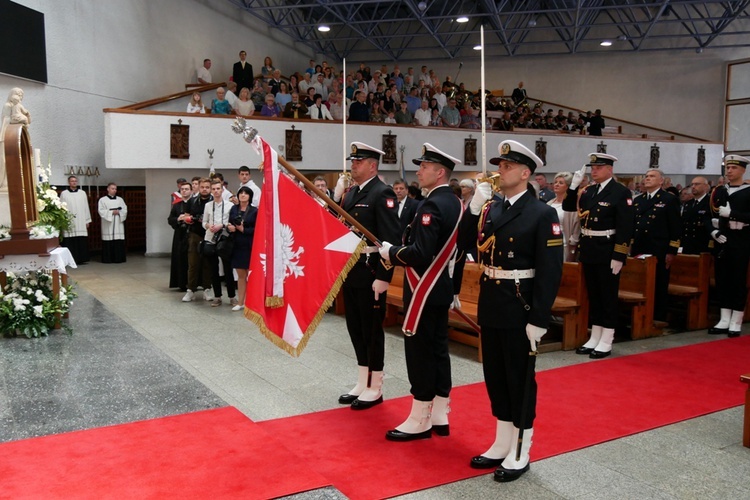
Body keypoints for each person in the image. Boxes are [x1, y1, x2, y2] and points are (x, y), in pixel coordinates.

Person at [459, 139, 562, 482]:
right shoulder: (493, 209)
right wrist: (473, 208)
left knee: (519, 378)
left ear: (525, 172)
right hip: (493, 301)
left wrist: (539, 318)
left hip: (521, 305)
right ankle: (502, 441)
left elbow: (551, 271)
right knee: (497, 377)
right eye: (500, 165)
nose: (500, 171)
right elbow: (463, 244)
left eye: (506, 166)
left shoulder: (542, 213)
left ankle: (521, 448)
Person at [378, 143, 463, 441]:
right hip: (441, 287)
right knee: (438, 349)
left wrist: (391, 251)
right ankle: (440, 412)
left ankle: (420, 417)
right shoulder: (455, 202)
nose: (419, 170)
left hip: (423, 289)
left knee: (420, 351)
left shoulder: (432, 205)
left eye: (425, 166)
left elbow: (421, 252)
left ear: (440, 173)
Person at [333, 142, 400, 410]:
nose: (353, 165)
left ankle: (376, 385)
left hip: (372, 269)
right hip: (352, 268)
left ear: (372, 165)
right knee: (355, 327)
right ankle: (363, 380)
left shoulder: (382, 193)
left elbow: (391, 237)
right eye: (353, 161)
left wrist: (385, 276)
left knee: (372, 329)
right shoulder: (351, 193)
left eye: (358, 161)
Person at [563, 154, 634, 358]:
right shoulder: (589, 191)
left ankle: (607, 338)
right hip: (590, 248)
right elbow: (569, 207)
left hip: (608, 249)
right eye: (593, 168)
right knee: (594, 295)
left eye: (599, 167)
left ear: (610, 169)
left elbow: (625, 225)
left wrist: (619, 255)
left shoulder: (620, 192)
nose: (594, 171)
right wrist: (573, 187)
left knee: (608, 296)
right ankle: (595, 336)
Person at [708, 155, 750, 337]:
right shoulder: (719, 191)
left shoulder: (748, 191)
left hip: (741, 239)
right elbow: (708, 216)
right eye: (728, 168)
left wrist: (733, 214)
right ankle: (724, 318)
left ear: (743, 170)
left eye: (733, 168)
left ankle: (736, 319)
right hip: (722, 239)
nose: (729, 171)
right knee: (722, 279)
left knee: (738, 280)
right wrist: (713, 232)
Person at [631, 169, 681, 322]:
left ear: (661, 181)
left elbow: (675, 227)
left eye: (652, 176)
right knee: (640, 282)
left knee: (658, 283)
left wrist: (672, 251)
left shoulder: (669, 199)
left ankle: (658, 317)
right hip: (640, 246)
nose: (647, 178)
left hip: (659, 248)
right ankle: (640, 315)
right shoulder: (638, 200)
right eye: (646, 176)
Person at [203, 179, 237, 308]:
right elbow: (203, 221)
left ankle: (232, 296)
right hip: (210, 238)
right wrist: (208, 225)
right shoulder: (208, 205)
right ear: (211, 191)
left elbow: (231, 222)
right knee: (213, 269)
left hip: (224, 238)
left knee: (228, 268)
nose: (216, 191)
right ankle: (217, 296)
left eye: (218, 189)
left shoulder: (229, 205)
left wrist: (221, 225)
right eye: (214, 189)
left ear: (222, 190)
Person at [182, 178, 214, 302]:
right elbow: (186, 215)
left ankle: (207, 289)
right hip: (195, 234)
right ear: (198, 188)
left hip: (209, 234)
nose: (204, 189)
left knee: (207, 263)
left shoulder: (213, 202)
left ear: (210, 188)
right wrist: (189, 218)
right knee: (193, 263)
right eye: (202, 187)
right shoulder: (192, 201)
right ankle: (190, 290)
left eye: (207, 187)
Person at [227, 186, 258, 312]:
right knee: (241, 275)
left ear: (250, 196)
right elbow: (229, 223)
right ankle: (240, 302)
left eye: (246, 193)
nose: (243, 195)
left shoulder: (255, 211)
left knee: (252, 275)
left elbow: (258, 229)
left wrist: (244, 230)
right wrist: (230, 227)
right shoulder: (234, 209)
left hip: (250, 244)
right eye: (241, 193)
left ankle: (252, 302)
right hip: (237, 244)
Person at [547, 172, 581, 262]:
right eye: (556, 182)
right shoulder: (549, 203)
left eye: (561, 183)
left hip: (564, 244)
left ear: (568, 186)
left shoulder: (572, 206)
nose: (557, 185)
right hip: (548, 242)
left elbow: (576, 228)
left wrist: (573, 245)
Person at [59, 175, 92, 264]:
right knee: (70, 240)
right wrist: (63, 220)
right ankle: (70, 260)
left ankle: (81, 259)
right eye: (72, 181)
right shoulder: (64, 193)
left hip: (81, 220)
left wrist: (87, 220)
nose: (74, 182)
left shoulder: (82, 193)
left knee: (81, 240)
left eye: (75, 181)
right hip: (69, 220)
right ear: (68, 182)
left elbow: (86, 207)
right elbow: (62, 207)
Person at [168, 181, 193, 291]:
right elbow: (170, 219)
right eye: (182, 189)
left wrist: (189, 218)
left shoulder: (195, 203)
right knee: (179, 258)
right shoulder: (177, 205)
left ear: (191, 191)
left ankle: (193, 283)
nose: (184, 191)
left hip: (192, 233)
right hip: (179, 234)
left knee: (192, 259)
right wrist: (178, 218)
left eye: (186, 189)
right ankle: (181, 283)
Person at [98, 183, 128, 264]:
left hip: (118, 222)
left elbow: (125, 209)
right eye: (112, 188)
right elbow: (101, 211)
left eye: (115, 189)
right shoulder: (102, 200)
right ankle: (108, 259)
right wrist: (111, 212)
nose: (114, 190)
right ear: (108, 189)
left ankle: (118, 258)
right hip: (108, 223)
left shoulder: (120, 199)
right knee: (108, 240)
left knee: (118, 240)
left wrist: (119, 212)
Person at [680, 176, 711, 255]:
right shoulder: (688, 203)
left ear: (706, 186)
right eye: (692, 184)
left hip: (703, 244)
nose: (693, 187)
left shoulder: (710, 202)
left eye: (697, 184)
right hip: (687, 244)